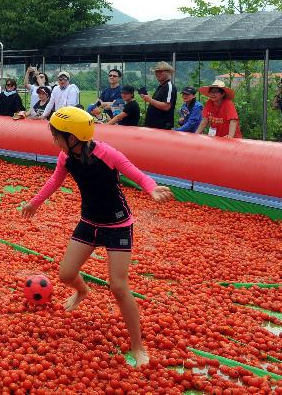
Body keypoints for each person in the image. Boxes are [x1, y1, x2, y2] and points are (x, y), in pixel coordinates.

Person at [21, 106, 172, 368]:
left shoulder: (106, 153)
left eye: (56, 135)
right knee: (66, 274)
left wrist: (151, 187)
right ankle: (82, 290)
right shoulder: (65, 157)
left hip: (117, 225)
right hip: (89, 222)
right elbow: (54, 182)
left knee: (118, 286)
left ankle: (137, 346)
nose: (53, 140)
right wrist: (35, 203)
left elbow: (132, 171)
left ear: (72, 137)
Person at [141, 62, 177, 130]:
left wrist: (150, 100)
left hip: (162, 127)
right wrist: (150, 99)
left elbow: (166, 106)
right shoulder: (161, 86)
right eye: (156, 72)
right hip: (154, 127)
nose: (157, 74)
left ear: (168, 72)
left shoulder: (169, 86)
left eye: (160, 71)